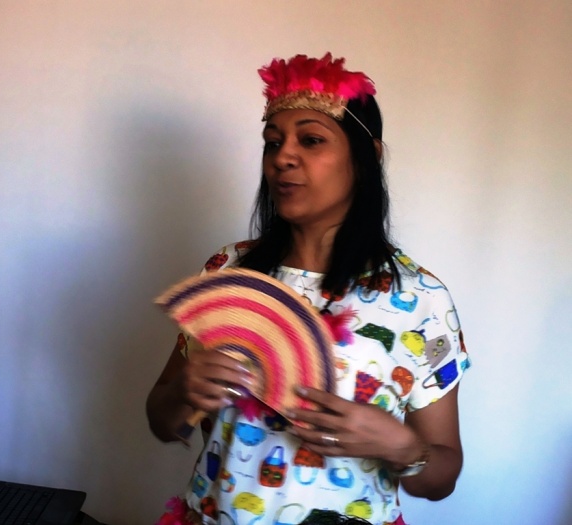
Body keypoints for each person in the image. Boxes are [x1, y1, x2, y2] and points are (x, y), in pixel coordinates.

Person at [146, 53, 470, 525]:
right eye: (272, 143)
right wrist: (185, 392)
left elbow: (441, 480)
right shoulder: (227, 271)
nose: (283, 157)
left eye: (311, 139)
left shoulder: (421, 298)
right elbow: (161, 421)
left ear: (368, 157)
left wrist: (400, 446)